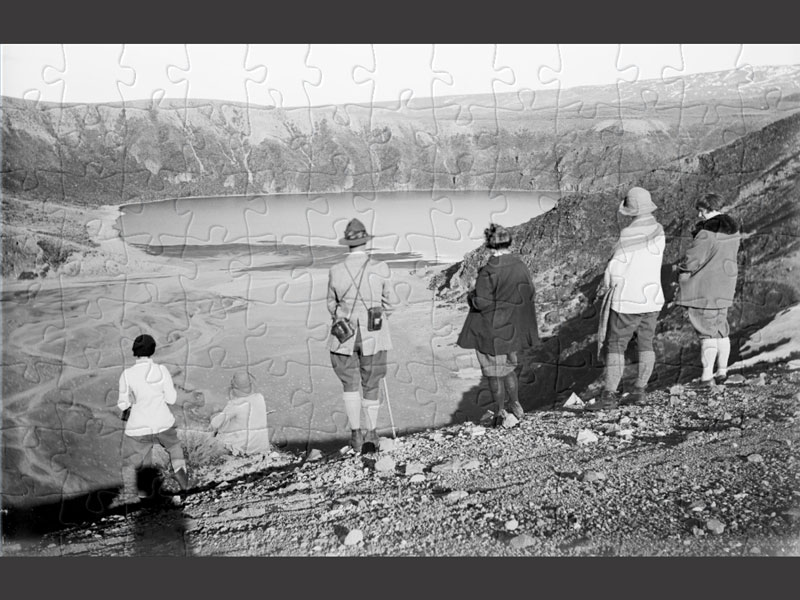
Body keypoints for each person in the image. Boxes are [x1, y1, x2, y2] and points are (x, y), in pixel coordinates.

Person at [456, 223, 539, 426]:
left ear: (488, 244)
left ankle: (500, 412)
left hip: (491, 330)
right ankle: (516, 404)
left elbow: (482, 302)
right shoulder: (520, 265)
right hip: (512, 329)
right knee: (509, 369)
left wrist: (470, 296)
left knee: (494, 374)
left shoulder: (489, 270)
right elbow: (530, 292)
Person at [591, 187, 665, 410]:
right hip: (653, 298)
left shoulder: (628, 234)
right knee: (646, 342)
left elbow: (616, 269)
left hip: (628, 299)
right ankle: (640, 390)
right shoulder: (659, 230)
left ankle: (609, 395)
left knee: (616, 344)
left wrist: (605, 285)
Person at [327, 218, 395, 453]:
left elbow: (331, 305)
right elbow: (390, 303)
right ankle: (372, 433)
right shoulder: (381, 268)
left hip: (344, 335)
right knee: (371, 383)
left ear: (347, 243)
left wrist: (344, 314)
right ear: (366, 241)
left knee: (349, 384)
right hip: (373, 332)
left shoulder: (335, 270)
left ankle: (355, 434)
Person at [112, 333, 189, 508]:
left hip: (138, 427)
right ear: (153, 350)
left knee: (143, 461)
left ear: (134, 352)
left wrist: (133, 402)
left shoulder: (127, 374)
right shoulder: (161, 370)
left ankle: (145, 498)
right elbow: (171, 399)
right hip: (163, 423)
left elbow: (123, 403)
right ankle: (183, 483)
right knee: (174, 447)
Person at [675, 192, 741, 388]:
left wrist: (681, 273)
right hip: (725, 287)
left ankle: (706, 377)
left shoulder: (706, 233)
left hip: (704, 290)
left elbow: (692, 261)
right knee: (721, 330)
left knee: (706, 332)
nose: (699, 216)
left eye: (701, 211)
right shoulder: (733, 231)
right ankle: (722, 371)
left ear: (707, 209)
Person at [210, 371, 272, 455]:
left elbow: (215, 424)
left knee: (216, 433)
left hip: (243, 454)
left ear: (233, 386)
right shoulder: (260, 398)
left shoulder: (234, 405)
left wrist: (214, 415)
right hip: (263, 452)